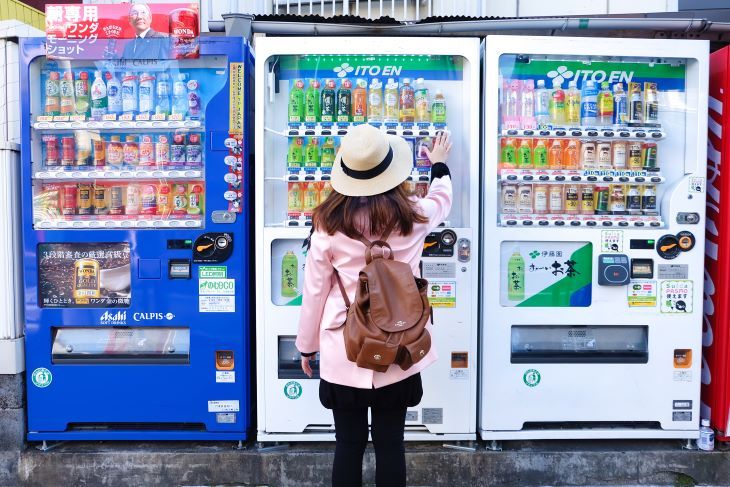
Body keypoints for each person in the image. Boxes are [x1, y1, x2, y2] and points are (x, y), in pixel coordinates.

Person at [296, 124, 453, 487]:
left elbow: (315, 291)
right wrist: (439, 165)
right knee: (391, 444)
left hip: (344, 348)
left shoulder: (328, 223)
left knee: (348, 444)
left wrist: (306, 346)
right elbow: (443, 198)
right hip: (399, 347)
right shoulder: (414, 215)